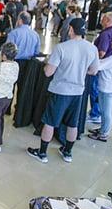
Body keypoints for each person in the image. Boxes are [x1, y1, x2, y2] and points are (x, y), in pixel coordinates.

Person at [27, 18, 99, 164]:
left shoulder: (62, 47)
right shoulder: (92, 48)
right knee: (73, 124)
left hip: (60, 90)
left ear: (71, 29)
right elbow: (94, 70)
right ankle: (67, 152)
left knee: (50, 122)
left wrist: (48, 63)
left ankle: (42, 153)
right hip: (78, 91)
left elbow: (48, 72)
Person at [86, 12, 112, 124]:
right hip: (107, 67)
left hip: (100, 65)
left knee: (95, 90)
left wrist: (92, 61)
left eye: (103, 19)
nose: (101, 21)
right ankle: (96, 112)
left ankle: (96, 114)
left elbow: (101, 52)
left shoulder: (105, 34)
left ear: (108, 21)